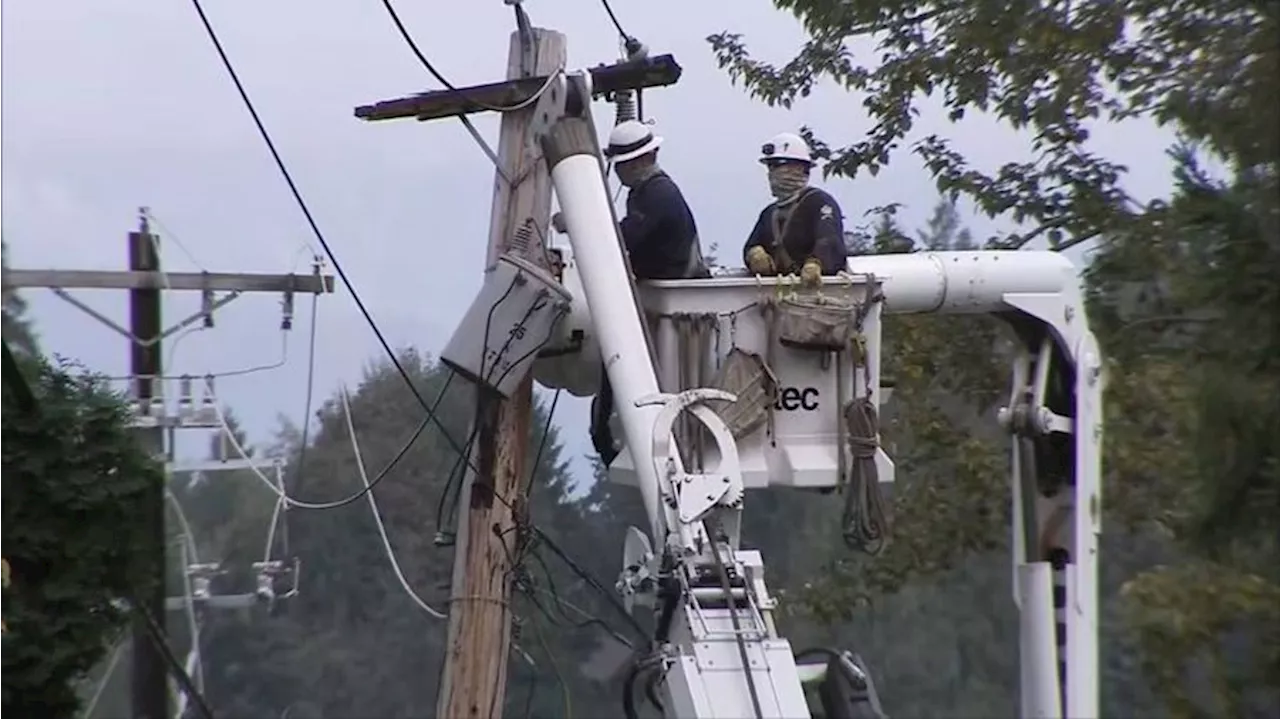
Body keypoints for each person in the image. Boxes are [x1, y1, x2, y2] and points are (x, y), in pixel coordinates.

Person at [742, 132, 848, 285]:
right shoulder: (769, 213)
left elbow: (830, 240)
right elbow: (752, 243)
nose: (773, 173)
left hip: (816, 291)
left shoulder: (819, 203)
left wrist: (816, 263)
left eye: (779, 165)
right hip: (778, 291)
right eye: (771, 167)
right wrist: (753, 255)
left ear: (801, 168)